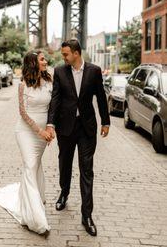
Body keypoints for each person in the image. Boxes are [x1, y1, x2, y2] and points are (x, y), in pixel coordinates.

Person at [46, 39, 110, 237]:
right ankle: (64, 192)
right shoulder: (60, 71)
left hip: (86, 129)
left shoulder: (94, 71)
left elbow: (100, 97)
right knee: (65, 163)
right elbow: (55, 99)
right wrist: (50, 124)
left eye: (65, 54)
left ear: (76, 53)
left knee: (86, 169)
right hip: (65, 127)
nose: (63, 57)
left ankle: (87, 215)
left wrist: (106, 122)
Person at [0, 51, 53, 235]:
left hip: (44, 133)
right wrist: (40, 131)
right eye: (42, 59)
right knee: (30, 165)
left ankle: (34, 200)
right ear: (33, 63)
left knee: (36, 166)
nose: (46, 61)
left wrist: (51, 129)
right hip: (26, 132)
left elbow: (53, 107)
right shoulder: (23, 85)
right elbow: (23, 112)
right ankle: (36, 219)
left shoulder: (50, 82)